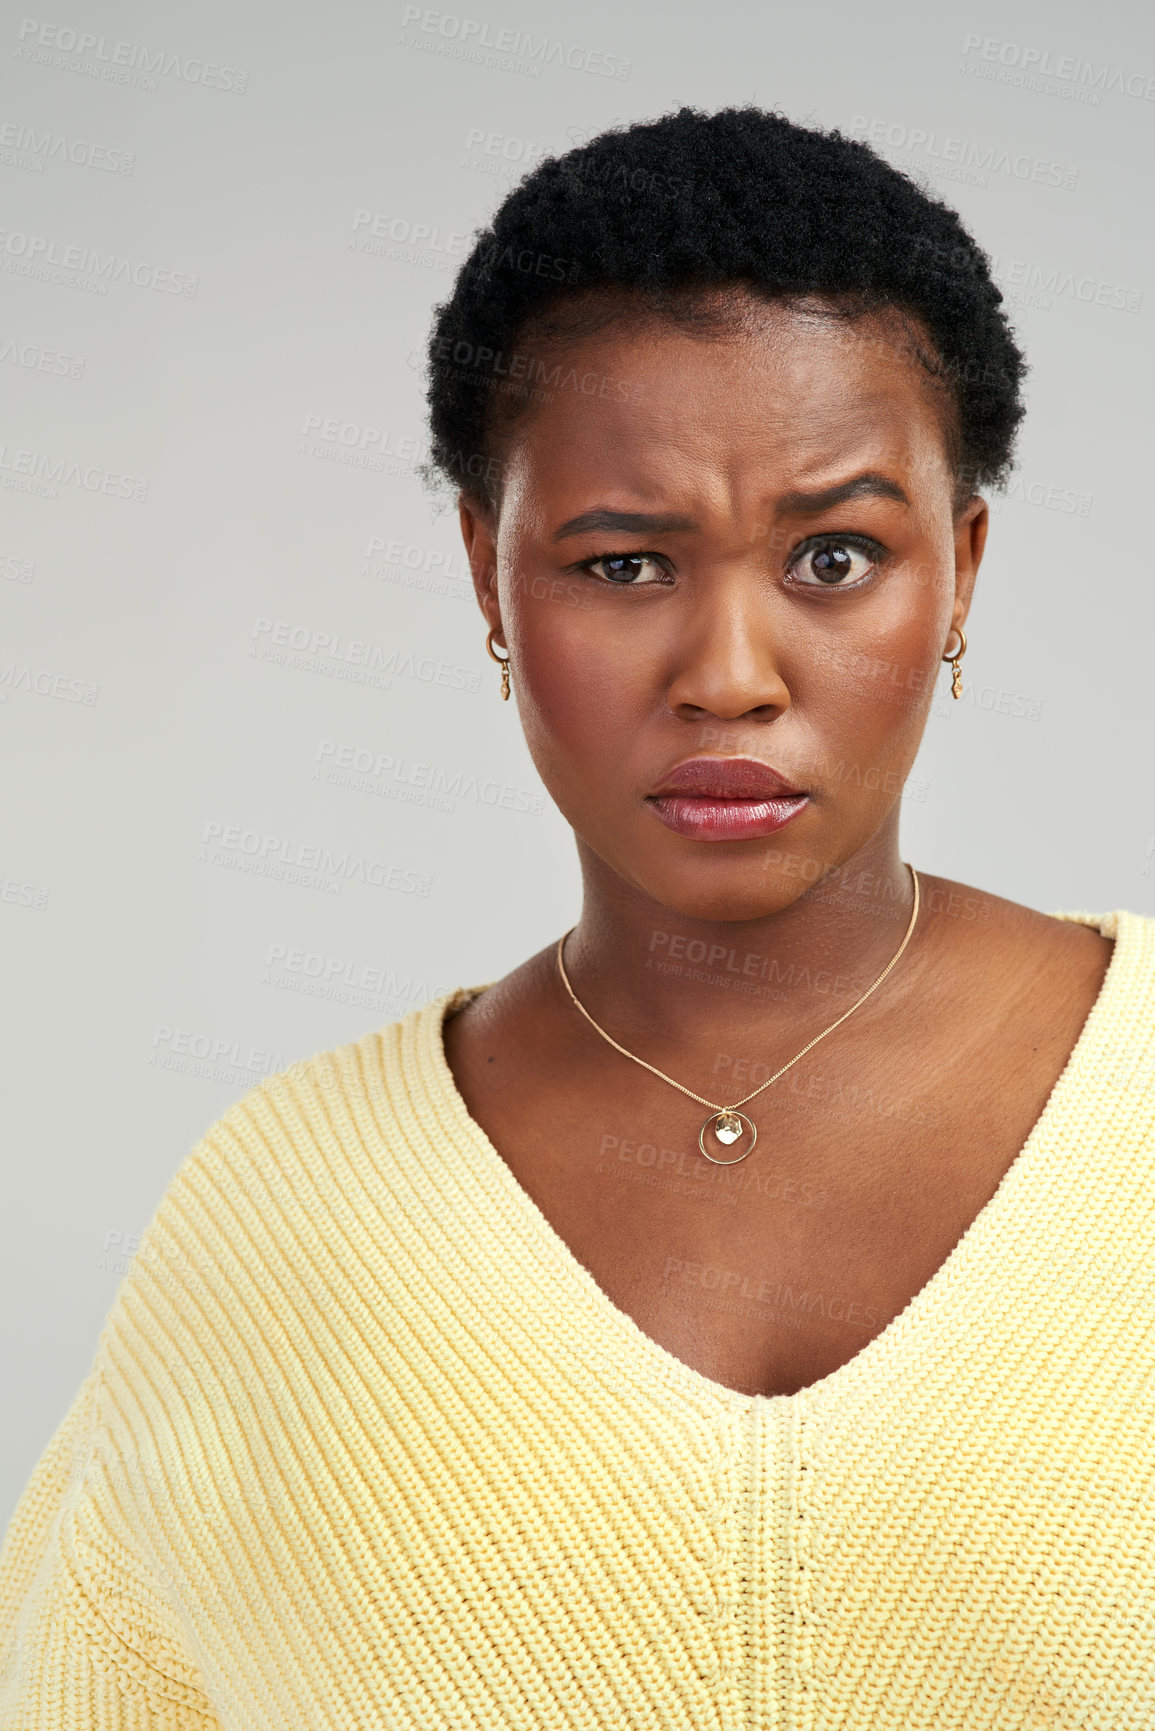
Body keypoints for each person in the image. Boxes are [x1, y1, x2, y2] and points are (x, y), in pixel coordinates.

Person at [2, 104, 1153, 1730]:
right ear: (491, 576)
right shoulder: (274, 1226)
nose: (732, 672)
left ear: (959, 572)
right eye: (622, 566)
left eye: (835, 554)